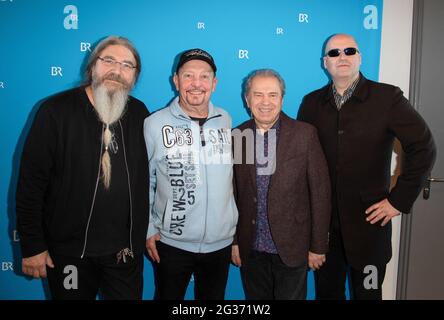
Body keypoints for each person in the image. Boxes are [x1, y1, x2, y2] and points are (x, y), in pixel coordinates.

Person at [297, 33, 437, 300]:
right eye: (334, 53)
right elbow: (303, 162)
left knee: (369, 295)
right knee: (328, 295)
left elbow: (423, 147)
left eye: (349, 51)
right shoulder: (311, 104)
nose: (342, 57)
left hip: (370, 228)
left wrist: (398, 201)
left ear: (359, 57)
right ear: (325, 62)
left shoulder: (388, 99)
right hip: (325, 232)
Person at [16, 36, 150, 300]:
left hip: (124, 254)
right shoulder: (55, 111)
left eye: (127, 65)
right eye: (108, 60)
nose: (117, 70)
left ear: (134, 76)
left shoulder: (139, 113)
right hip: (69, 255)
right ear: (92, 66)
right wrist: (33, 246)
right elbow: (31, 183)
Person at [144, 48, 238, 300]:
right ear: (176, 81)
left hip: (220, 244)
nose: (196, 84)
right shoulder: (154, 124)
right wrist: (148, 227)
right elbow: (144, 181)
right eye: (188, 76)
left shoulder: (225, 120)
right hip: (172, 243)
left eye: (204, 76)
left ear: (214, 83)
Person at [231, 69, 331, 300]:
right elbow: (233, 193)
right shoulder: (239, 135)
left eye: (272, 95)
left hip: (292, 247)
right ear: (247, 99)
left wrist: (318, 246)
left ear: (282, 99)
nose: (265, 102)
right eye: (257, 94)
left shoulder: (304, 135)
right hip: (251, 247)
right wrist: (234, 241)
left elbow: (320, 193)